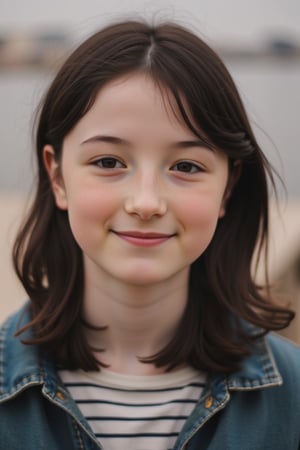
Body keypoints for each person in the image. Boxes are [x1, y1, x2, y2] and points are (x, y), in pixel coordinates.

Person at [0, 19, 299, 450]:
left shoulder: (292, 395)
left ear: (227, 187)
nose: (145, 202)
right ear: (57, 176)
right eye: (108, 162)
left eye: (186, 167)